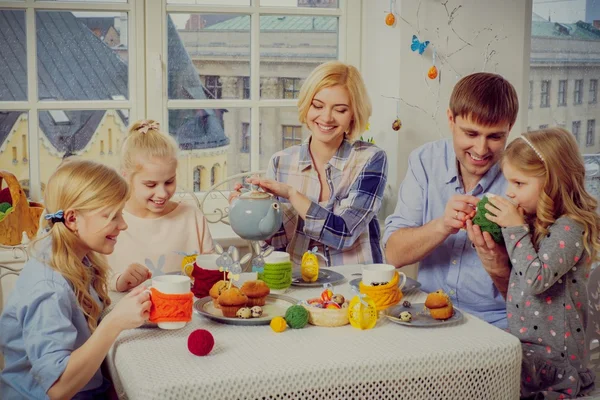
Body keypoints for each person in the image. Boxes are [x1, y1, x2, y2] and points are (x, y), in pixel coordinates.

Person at [0, 159, 151, 399]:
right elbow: (58, 388)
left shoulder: (75, 256)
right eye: (111, 215)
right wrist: (115, 322)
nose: (122, 225)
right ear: (72, 219)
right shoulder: (48, 287)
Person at [384, 72, 519, 328]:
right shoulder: (425, 161)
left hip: (496, 323)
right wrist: (442, 225)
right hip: (427, 314)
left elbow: (533, 300)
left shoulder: (522, 178)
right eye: (471, 133)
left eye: (495, 137)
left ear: (509, 129)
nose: (480, 150)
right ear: (450, 119)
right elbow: (393, 254)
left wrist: (497, 264)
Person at [485, 128, 598, 398]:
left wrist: (514, 229)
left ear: (552, 181)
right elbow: (522, 269)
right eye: (509, 182)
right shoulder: (535, 224)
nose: (510, 193)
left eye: (519, 184)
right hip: (527, 348)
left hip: (556, 356)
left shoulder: (570, 227)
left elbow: (537, 279)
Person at [240, 61, 388, 267]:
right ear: (306, 105)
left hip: (356, 287)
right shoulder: (281, 162)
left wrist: (293, 194)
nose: (326, 117)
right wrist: (250, 209)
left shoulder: (371, 159)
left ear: (354, 114)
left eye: (340, 109)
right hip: (297, 285)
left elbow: (343, 234)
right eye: (317, 106)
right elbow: (277, 243)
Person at [107, 120, 215, 292]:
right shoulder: (109, 221)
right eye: (150, 185)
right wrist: (119, 281)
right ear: (126, 176)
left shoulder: (191, 217)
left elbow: (213, 272)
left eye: (169, 181)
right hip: (129, 315)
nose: (162, 193)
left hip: (185, 315)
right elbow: (94, 278)